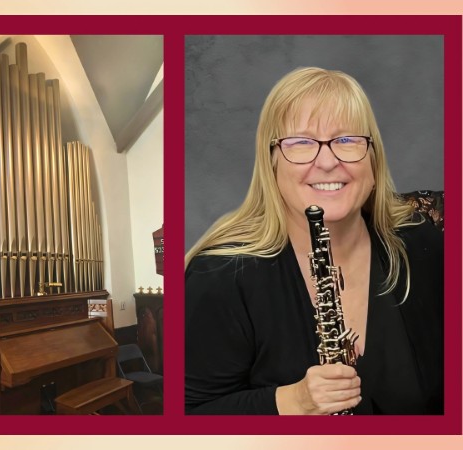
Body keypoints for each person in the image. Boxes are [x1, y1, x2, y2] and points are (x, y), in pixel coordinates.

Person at [184, 67, 443, 415]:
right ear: (271, 161)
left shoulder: (417, 242)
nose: (327, 161)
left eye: (347, 140)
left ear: (373, 157)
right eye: (300, 142)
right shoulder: (219, 275)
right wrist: (291, 402)